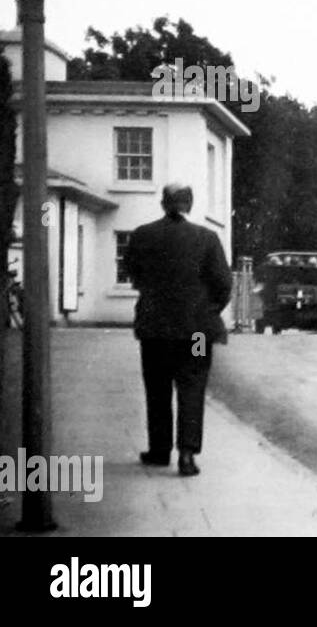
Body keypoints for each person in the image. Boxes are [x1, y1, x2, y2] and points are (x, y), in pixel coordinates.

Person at [124, 184, 232, 477]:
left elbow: (133, 275)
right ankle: (187, 455)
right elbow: (224, 284)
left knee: (157, 388)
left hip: (156, 330)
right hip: (196, 333)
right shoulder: (207, 238)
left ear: (163, 204)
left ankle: (159, 451)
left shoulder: (142, 235)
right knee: (192, 387)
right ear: (190, 204)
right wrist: (207, 311)